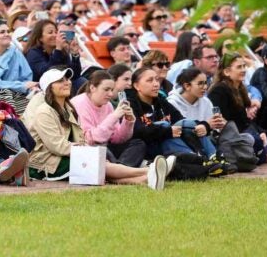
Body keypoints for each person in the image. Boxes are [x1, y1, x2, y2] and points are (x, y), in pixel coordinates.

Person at [23, 67, 168, 189]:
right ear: (49, 86)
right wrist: (88, 152)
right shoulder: (45, 111)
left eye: (67, 79)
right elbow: (58, 146)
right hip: (47, 163)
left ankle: (147, 179)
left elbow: (117, 138)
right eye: (60, 80)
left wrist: (128, 121)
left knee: (113, 159)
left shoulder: (68, 108)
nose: (67, 82)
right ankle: (149, 171)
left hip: (72, 153)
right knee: (98, 164)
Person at [128, 67, 221, 170]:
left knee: (184, 123)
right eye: (150, 80)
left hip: (168, 145)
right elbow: (136, 132)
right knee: (164, 125)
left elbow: (182, 121)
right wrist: (167, 131)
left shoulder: (161, 101)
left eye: (157, 79)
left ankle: (213, 157)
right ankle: (198, 159)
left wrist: (205, 126)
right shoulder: (131, 105)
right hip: (147, 148)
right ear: (136, 86)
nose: (156, 84)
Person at [209, 53, 267, 164]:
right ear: (226, 72)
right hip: (228, 136)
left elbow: (245, 121)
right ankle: (265, 157)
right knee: (253, 140)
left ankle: (254, 154)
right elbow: (226, 124)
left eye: (244, 66)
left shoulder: (240, 88)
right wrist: (254, 135)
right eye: (239, 67)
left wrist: (260, 132)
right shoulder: (219, 90)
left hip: (244, 133)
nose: (243, 70)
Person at [73, 70, 146, 167]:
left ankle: (121, 168)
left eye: (112, 90)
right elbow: (90, 139)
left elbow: (117, 138)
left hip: (105, 146)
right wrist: (114, 116)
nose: (111, 94)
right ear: (92, 88)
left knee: (138, 144)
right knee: (103, 150)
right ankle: (126, 169)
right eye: (106, 89)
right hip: (88, 148)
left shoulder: (108, 105)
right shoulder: (79, 103)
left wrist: (128, 121)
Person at [23, 19, 82, 86]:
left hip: (62, 85)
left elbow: (75, 75)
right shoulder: (33, 53)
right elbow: (48, 73)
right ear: (40, 38)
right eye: (50, 32)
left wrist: (74, 54)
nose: (55, 35)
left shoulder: (61, 51)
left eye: (56, 32)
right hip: (43, 89)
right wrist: (58, 49)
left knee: (80, 80)